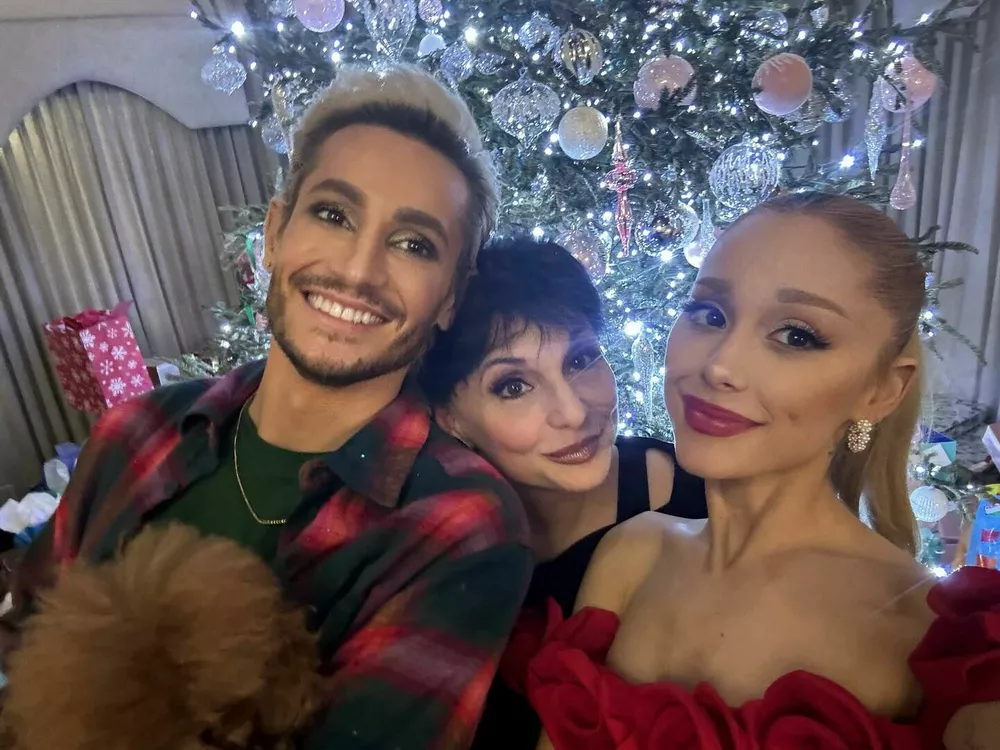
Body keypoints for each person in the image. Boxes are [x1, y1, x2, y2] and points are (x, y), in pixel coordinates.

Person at [3, 65, 532, 750]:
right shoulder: (134, 432)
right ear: (276, 233)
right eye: (333, 214)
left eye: (414, 244)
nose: (358, 271)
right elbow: (23, 636)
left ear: (450, 298)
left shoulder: (461, 524)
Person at [506, 193, 1000, 749]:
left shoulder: (935, 639)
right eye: (709, 314)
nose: (720, 364)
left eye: (796, 335)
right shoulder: (633, 552)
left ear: (883, 389)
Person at [418, 239, 707, 749]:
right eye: (513, 386)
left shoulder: (705, 506)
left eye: (580, 359)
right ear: (450, 418)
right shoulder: (431, 555)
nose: (573, 412)